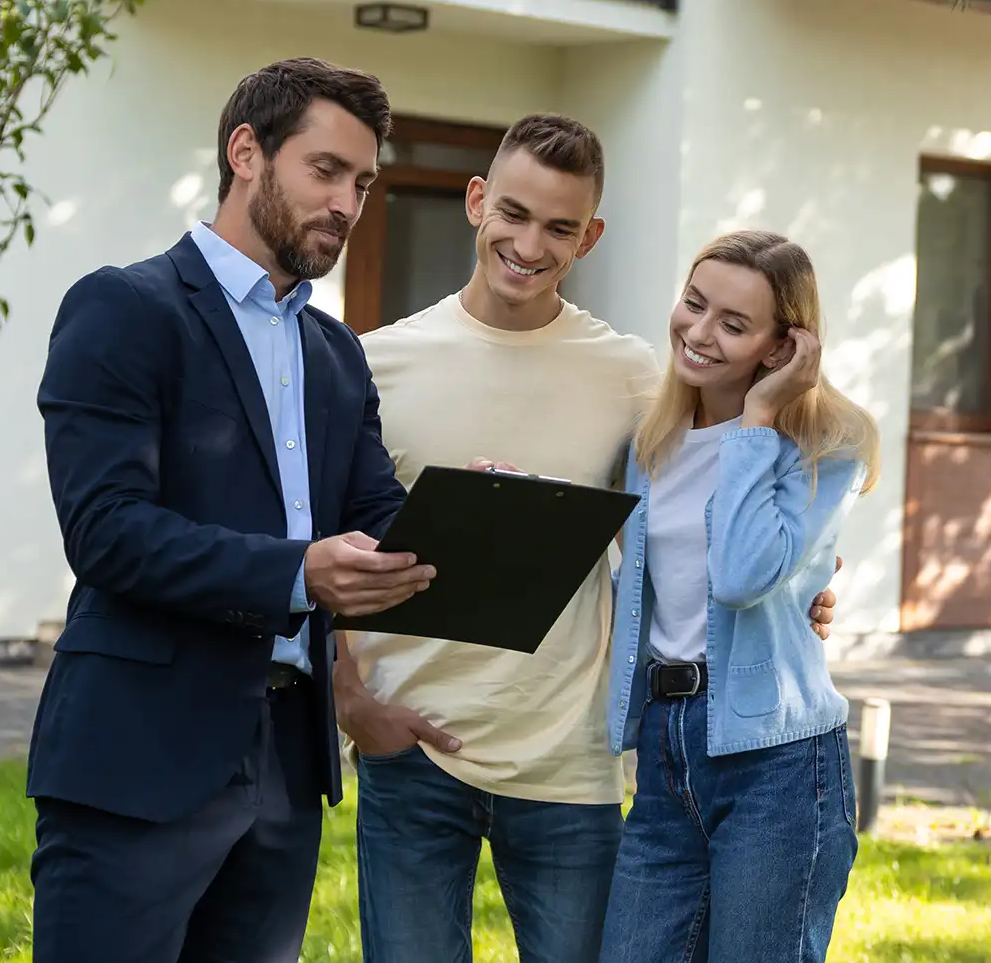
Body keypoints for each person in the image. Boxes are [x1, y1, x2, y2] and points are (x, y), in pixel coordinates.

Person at [335, 117, 841, 963]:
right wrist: (352, 704)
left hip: (570, 759)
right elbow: (329, 546)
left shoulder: (637, 376)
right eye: (515, 214)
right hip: (412, 749)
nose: (530, 244)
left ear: (589, 237)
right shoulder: (374, 363)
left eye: (560, 227)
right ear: (476, 202)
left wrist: (806, 585)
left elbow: (720, 510)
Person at [27, 58, 434, 963]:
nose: (347, 203)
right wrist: (296, 573)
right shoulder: (125, 308)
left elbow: (379, 515)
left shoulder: (336, 353)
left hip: (287, 764)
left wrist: (476, 507)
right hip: (139, 751)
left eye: (362, 183)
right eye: (324, 171)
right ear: (245, 152)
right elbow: (107, 531)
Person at [601, 230, 880, 963]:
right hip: (667, 749)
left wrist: (757, 421)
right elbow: (648, 588)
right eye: (694, 305)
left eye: (733, 324)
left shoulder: (829, 444)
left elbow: (742, 575)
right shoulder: (651, 441)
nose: (698, 333)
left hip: (778, 764)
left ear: (782, 347)